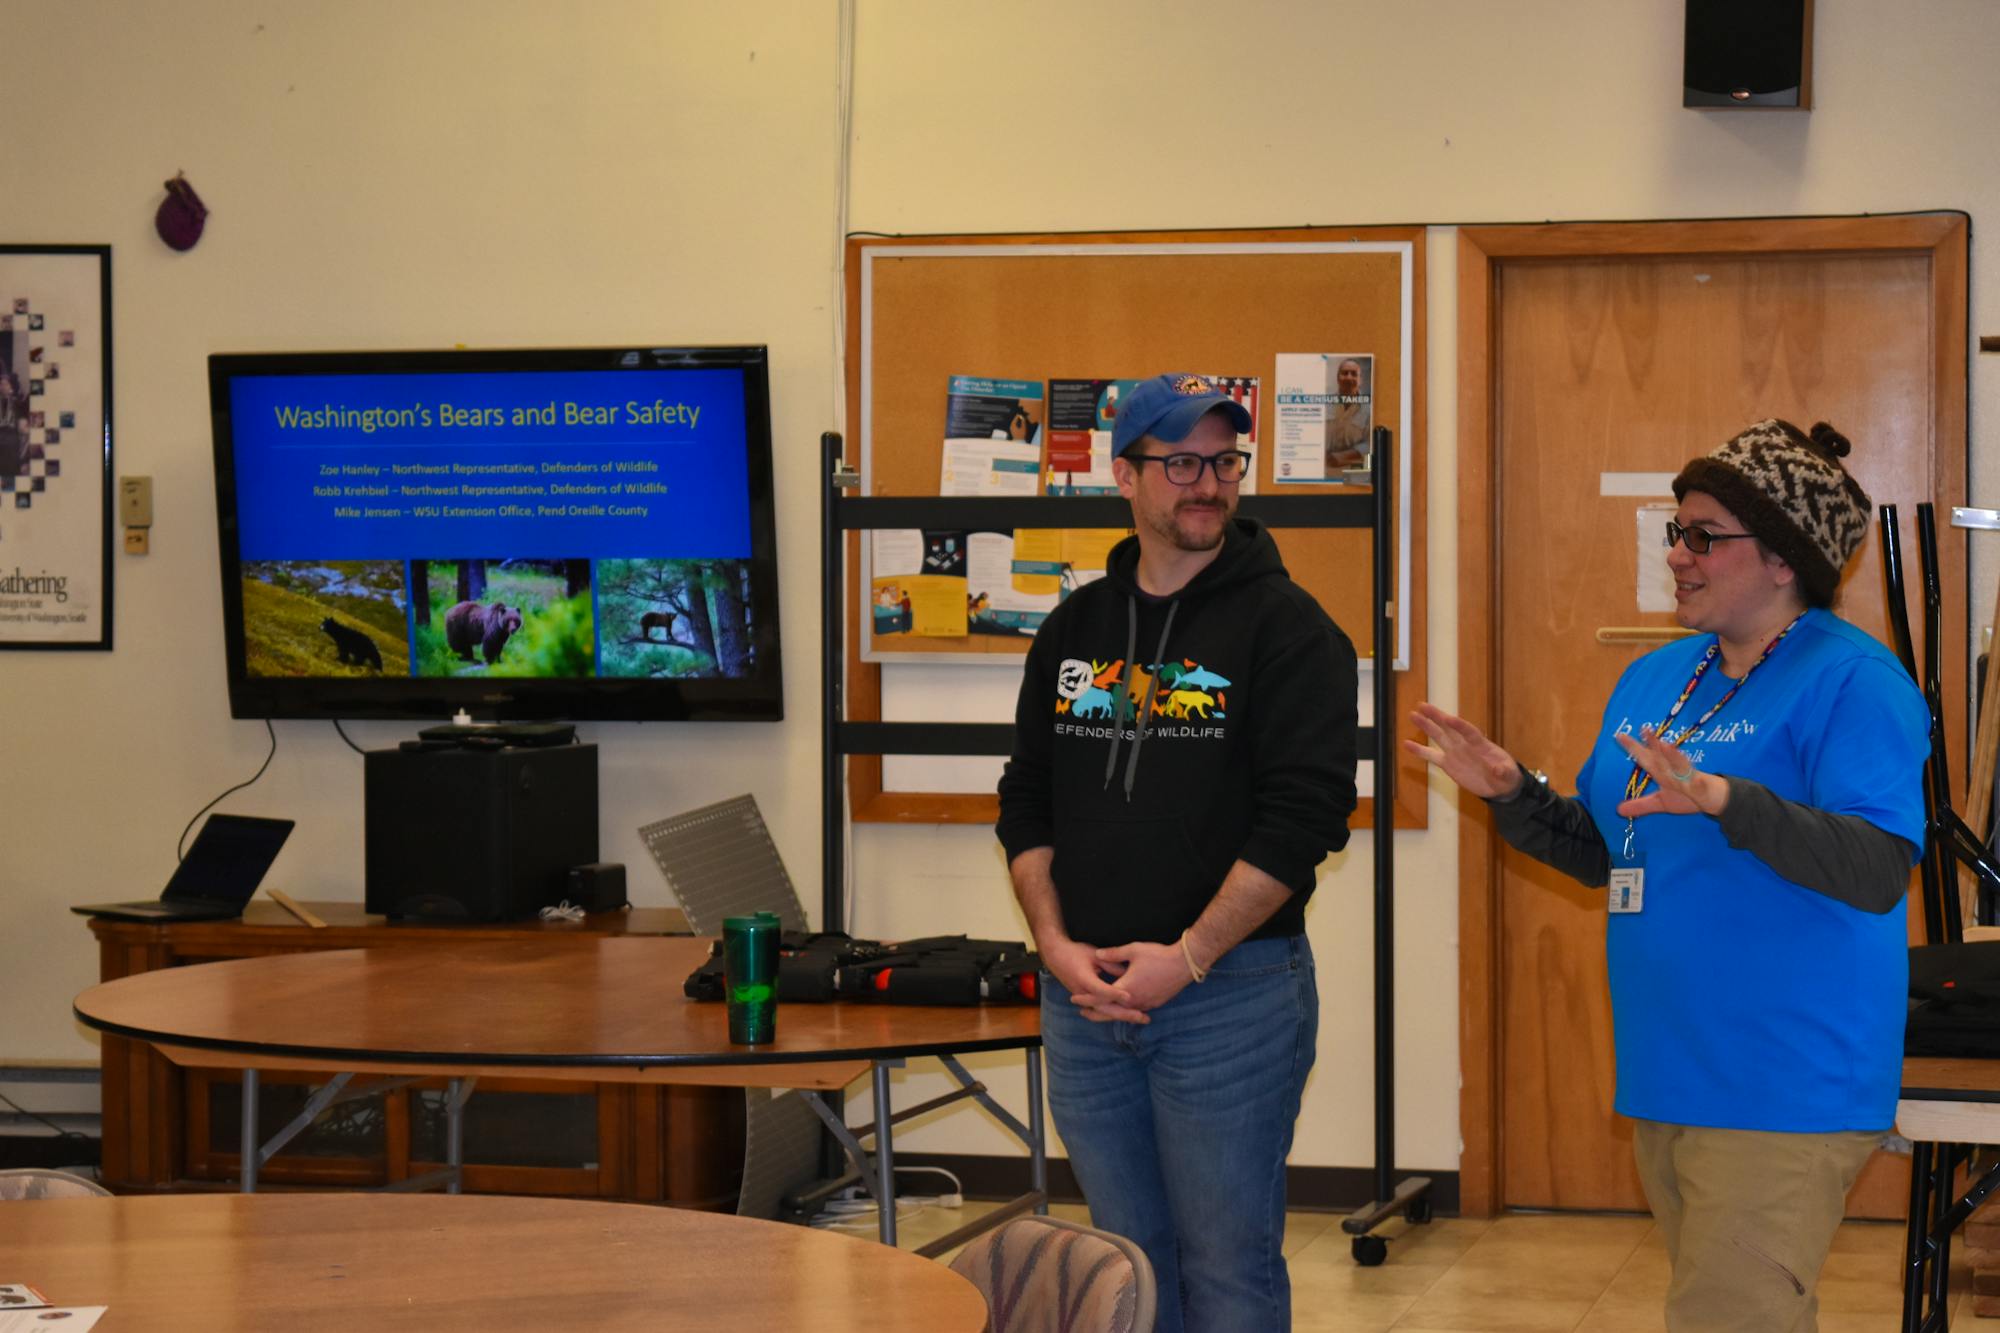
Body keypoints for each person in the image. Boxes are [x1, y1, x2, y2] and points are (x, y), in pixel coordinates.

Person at [1404, 418, 1928, 1332]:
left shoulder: (1854, 681)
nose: (1678, 555)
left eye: (1703, 536)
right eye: (1675, 532)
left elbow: (1878, 865)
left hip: (1784, 1080)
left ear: (1781, 559)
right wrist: (1512, 791)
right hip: (1670, 1068)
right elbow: (1618, 853)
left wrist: (1729, 800)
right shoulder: (1659, 678)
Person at [996, 372, 1358, 1332]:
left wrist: (1189, 957)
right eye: (1182, 462)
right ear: (1125, 474)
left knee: (1228, 1269)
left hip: (1228, 999)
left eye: (1225, 462)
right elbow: (1026, 797)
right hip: (1086, 1000)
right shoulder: (1071, 630)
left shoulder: (1291, 632)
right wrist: (1054, 943)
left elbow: (1305, 819)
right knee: (1127, 1268)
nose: (1209, 484)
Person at [1323, 357, 1370, 470]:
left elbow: (1371, 443)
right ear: (1338, 378)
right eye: (1344, 373)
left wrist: (1345, 455)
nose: (1349, 377)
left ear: (1360, 380)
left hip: (1353, 468)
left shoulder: (1369, 410)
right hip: (1323, 469)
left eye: (1354, 374)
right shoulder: (1323, 404)